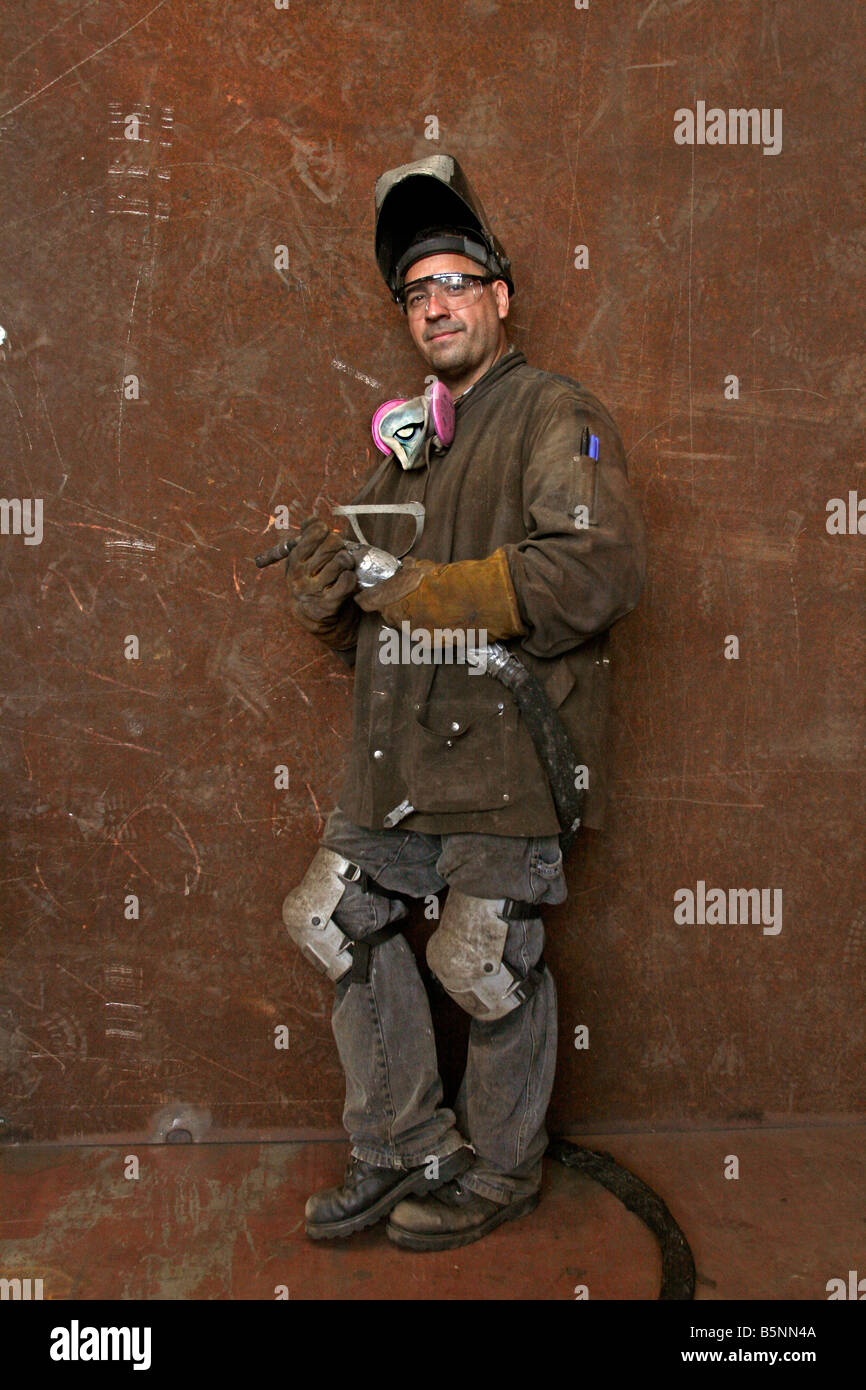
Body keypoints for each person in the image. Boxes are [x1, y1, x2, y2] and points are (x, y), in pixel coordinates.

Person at [282, 154, 646, 1251]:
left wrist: (414, 584)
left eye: (453, 280)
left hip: (508, 757)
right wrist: (329, 593)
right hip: (396, 756)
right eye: (414, 291)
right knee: (330, 917)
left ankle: (496, 1169)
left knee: (473, 956)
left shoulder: (557, 412)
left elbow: (588, 573)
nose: (433, 302)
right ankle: (405, 1145)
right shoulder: (409, 447)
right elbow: (373, 619)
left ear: (500, 297)